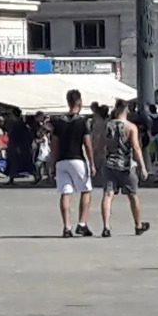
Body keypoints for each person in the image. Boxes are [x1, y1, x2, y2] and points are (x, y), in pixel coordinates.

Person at [97, 101, 151, 237]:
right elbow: (136, 148)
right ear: (126, 110)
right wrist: (143, 167)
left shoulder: (107, 126)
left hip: (110, 164)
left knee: (108, 195)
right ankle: (138, 225)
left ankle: (106, 226)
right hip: (126, 165)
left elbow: (101, 145)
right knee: (132, 195)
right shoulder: (131, 127)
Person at [52, 89, 96, 237]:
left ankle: (66, 227)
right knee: (86, 190)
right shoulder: (82, 121)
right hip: (77, 159)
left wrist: (52, 163)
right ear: (79, 102)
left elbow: (55, 145)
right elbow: (87, 144)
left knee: (65, 193)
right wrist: (92, 162)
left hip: (61, 161)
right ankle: (82, 223)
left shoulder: (58, 122)